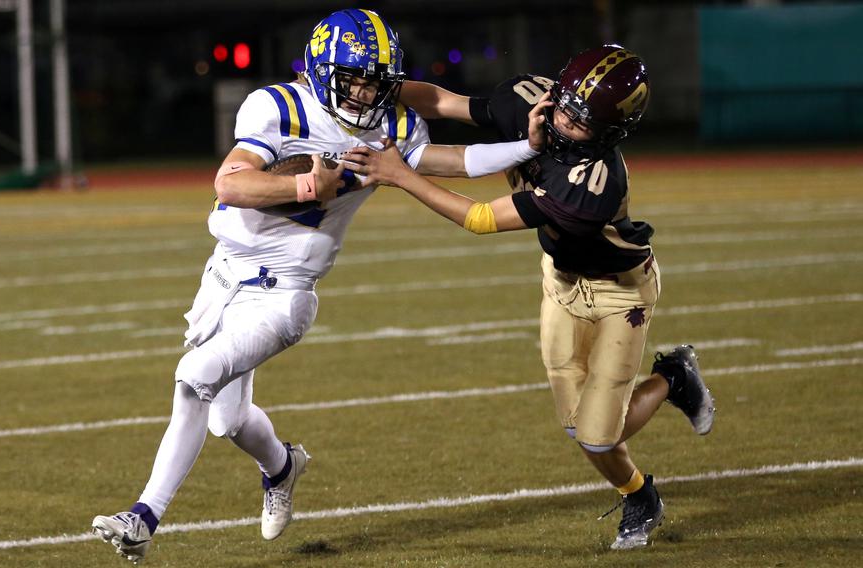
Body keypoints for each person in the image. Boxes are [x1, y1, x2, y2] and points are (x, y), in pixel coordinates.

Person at [90, 8, 550, 563]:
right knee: (225, 420)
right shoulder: (278, 107)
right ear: (320, 70)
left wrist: (526, 148)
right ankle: (283, 466)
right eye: (353, 78)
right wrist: (311, 183)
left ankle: (142, 518)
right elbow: (230, 185)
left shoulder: (391, 126)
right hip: (224, 274)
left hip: (286, 291)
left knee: (193, 378)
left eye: (374, 81)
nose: (363, 92)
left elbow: (454, 159)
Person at [343, 44, 716, 550]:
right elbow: (443, 102)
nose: (562, 121)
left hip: (617, 296)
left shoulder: (593, 184)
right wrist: (370, 88)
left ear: (609, 131)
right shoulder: (532, 99)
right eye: (563, 104)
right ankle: (638, 491)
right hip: (561, 282)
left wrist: (401, 175)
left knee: (598, 434)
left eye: (580, 122)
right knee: (575, 425)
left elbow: (480, 219)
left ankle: (671, 378)